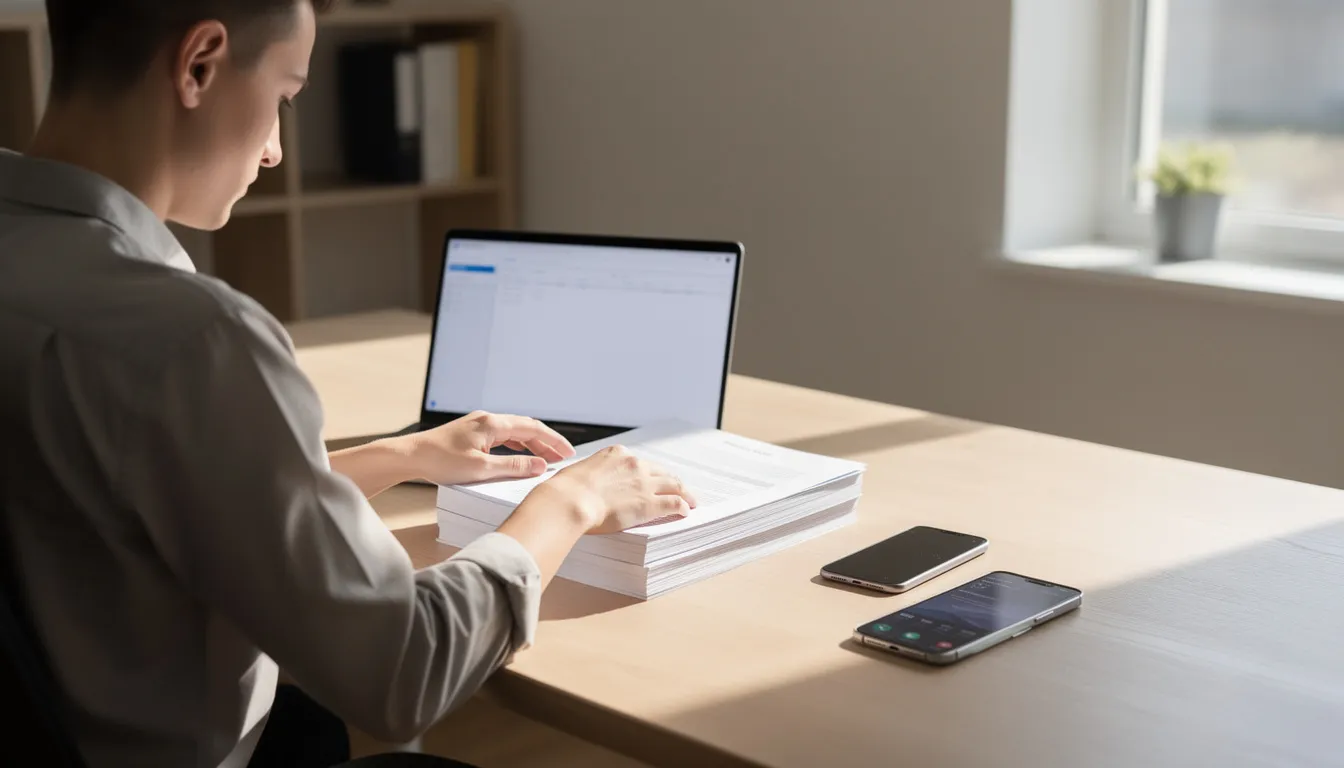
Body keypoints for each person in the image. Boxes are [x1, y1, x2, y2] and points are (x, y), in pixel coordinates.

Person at [0, 1, 697, 767]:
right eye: (284, 96)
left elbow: (125, 495)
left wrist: (394, 457)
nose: (275, 151)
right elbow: (404, 672)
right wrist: (571, 501)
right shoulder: (194, 340)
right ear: (199, 65)